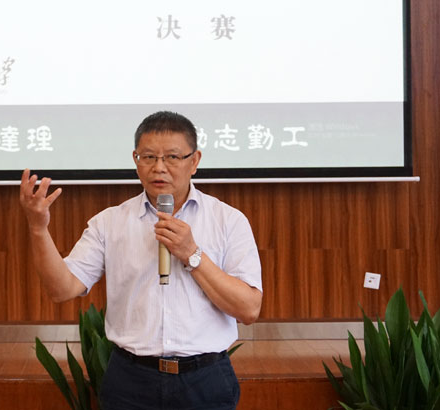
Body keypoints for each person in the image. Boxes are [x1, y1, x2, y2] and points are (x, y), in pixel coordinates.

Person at [19, 111, 263, 410]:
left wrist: (192, 254)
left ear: (194, 161)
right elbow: (62, 288)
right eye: (148, 157)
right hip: (130, 381)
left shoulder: (228, 220)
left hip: (205, 379)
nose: (159, 167)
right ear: (136, 160)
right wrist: (38, 228)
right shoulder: (110, 222)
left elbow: (249, 309)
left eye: (172, 157)